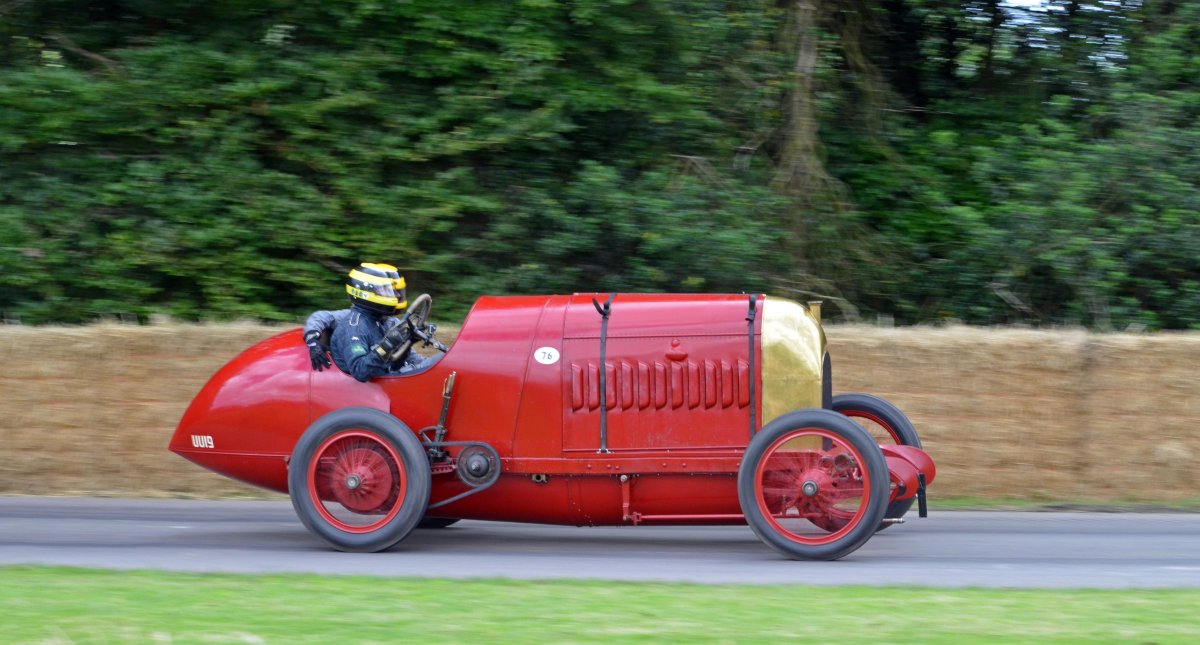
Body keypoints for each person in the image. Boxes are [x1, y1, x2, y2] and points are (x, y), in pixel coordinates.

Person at [303, 263, 434, 381]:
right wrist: (387, 345)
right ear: (364, 293)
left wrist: (410, 341)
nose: (397, 295)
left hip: (393, 378)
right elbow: (360, 371)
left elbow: (402, 360)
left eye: (396, 291)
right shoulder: (353, 327)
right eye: (387, 290)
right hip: (376, 391)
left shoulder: (388, 320)